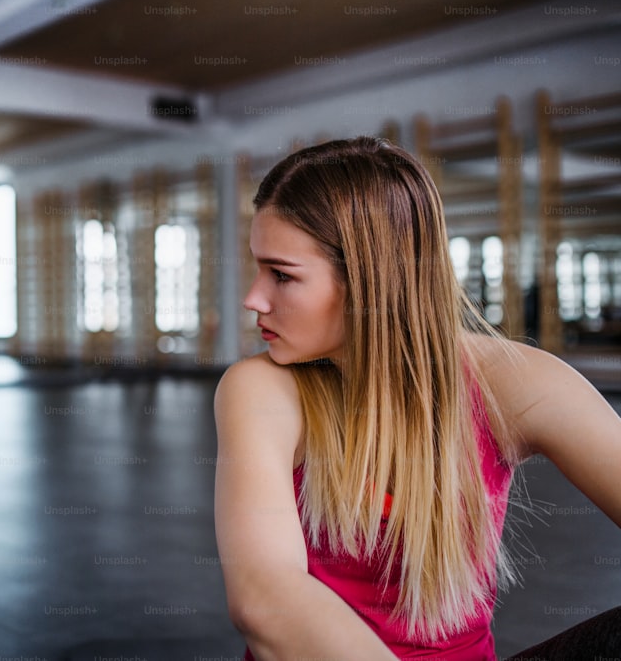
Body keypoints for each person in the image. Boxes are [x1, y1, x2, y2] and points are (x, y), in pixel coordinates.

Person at [213, 137, 621, 660]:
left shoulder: (515, 382)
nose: (253, 298)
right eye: (258, 268)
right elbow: (265, 599)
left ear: (368, 281)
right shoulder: (262, 389)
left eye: (282, 275)